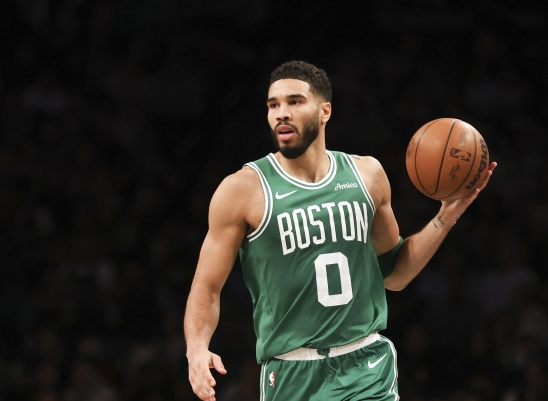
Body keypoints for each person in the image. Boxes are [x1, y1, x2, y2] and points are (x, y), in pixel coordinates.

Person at [183, 60, 497, 401]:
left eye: (294, 101)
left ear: (325, 111)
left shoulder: (367, 175)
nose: (281, 113)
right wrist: (196, 349)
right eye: (273, 105)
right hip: (292, 372)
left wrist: (446, 217)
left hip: (366, 366)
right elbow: (207, 286)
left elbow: (395, 274)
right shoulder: (243, 189)